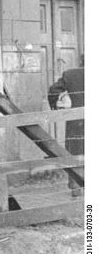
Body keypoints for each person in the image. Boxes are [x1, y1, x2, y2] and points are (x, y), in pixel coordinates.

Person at [48, 54, 84, 197]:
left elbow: (53, 90)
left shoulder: (70, 74)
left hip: (76, 122)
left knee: (75, 152)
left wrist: (58, 104)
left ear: (81, 61)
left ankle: (76, 187)